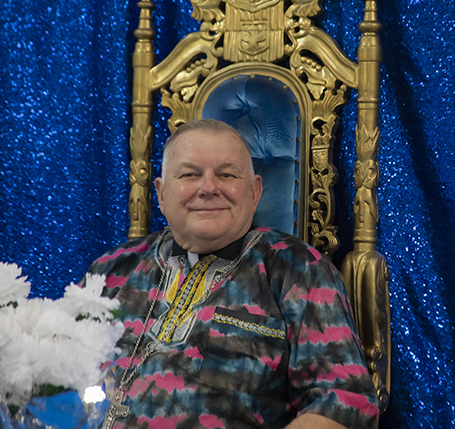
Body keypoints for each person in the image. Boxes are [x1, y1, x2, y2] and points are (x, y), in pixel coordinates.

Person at [86, 119, 379, 429]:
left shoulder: (297, 269)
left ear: (254, 192)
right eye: (189, 174)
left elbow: (345, 402)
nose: (209, 188)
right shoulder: (113, 268)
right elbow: (54, 375)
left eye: (226, 175)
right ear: (160, 193)